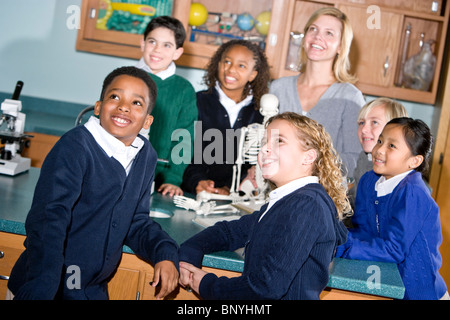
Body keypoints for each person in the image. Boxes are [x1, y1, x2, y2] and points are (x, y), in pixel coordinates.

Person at [7, 67, 179, 300]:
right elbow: (49, 220)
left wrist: (164, 253)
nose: (124, 106)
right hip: (47, 286)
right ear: (98, 107)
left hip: (88, 289)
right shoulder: (75, 146)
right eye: (114, 97)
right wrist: (43, 285)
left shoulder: (145, 155)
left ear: (147, 120)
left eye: (136, 103)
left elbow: (135, 221)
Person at [178, 112, 349, 299]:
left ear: (308, 157)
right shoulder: (286, 202)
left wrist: (206, 284)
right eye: (264, 143)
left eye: (279, 141)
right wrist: (190, 251)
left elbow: (266, 287)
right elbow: (229, 232)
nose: (265, 149)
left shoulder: (307, 205)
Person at [336, 117, 448, 300]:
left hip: (420, 293)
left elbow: (393, 249)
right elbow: (363, 231)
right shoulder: (368, 181)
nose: (379, 149)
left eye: (392, 146)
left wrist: (341, 246)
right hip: (387, 285)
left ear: (414, 161)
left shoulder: (413, 193)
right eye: (380, 141)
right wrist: (336, 237)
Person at [269, 7, 365, 178]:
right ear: (305, 37)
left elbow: (355, 159)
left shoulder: (350, 98)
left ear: (341, 47)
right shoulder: (277, 88)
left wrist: (305, 164)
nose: (318, 37)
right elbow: (266, 144)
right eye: (313, 29)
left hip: (322, 197)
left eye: (329, 33)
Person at [182, 39, 271, 195]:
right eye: (227, 62)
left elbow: (255, 164)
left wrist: (231, 189)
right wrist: (197, 181)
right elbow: (182, 150)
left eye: (241, 65)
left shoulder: (261, 114)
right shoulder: (196, 102)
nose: (231, 70)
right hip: (192, 194)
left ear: (253, 74)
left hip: (237, 201)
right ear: (218, 65)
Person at [137, 16, 197, 196]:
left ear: (177, 52)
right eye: (152, 42)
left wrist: (173, 179)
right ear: (143, 43)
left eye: (167, 45)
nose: (157, 50)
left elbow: (185, 138)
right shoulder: (124, 78)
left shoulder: (184, 90)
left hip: (160, 177)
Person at [349, 97, 408, 206]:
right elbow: (354, 198)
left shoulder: (398, 171)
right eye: (361, 123)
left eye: (374, 122)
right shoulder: (364, 157)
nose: (364, 129)